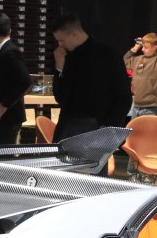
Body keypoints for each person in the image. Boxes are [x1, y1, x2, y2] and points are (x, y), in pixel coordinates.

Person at [52, 12, 130, 141]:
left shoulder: (108, 54)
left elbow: (123, 97)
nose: (60, 44)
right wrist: (59, 68)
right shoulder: (66, 56)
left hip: (97, 124)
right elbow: (60, 97)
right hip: (67, 125)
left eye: (61, 40)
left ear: (74, 34)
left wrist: (107, 128)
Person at [0, 12, 30, 145]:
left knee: (1, 156)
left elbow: (25, 81)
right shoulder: (3, 50)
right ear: (10, 30)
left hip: (6, 117)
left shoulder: (10, 51)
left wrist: (3, 105)